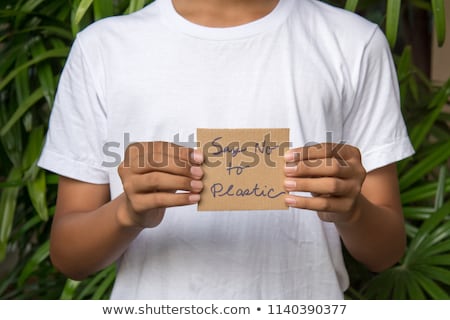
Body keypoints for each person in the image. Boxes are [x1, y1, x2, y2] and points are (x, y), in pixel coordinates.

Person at [38, 0, 415, 299]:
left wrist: (352, 209)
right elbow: (69, 256)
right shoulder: (103, 49)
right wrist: (127, 213)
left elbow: (385, 251)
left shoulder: (353, 43)